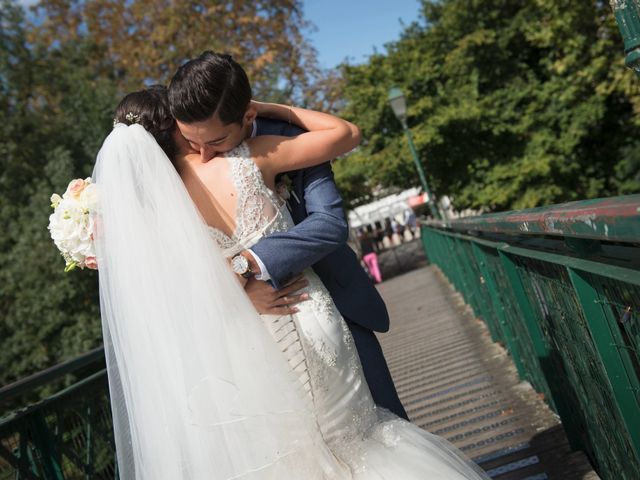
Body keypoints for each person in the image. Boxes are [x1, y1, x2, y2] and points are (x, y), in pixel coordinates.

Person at [94, 94, 490, 479]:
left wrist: (238, 288)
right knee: (358, 438)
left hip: (241, 346)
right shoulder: (254, 154)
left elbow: (168, 292)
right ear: (180, 127)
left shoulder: (151, 214)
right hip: (304, 307)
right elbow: (346, 133)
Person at [167, 52, 407, 421]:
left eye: (215, 140)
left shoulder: (290, 139)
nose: (203, 153)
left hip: (330, 305)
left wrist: (248, 264)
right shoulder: (174, 171)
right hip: (249, 337)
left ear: (247, 114)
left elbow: (328, 222)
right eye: (190, 141)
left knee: (383, 427)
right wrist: (238, 291)